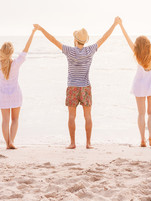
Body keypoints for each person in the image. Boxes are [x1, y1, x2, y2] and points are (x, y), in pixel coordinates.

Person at [34, 18, 120, 149]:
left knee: (72, 116)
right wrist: (115, 24)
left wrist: (41, 29)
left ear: (75, 39)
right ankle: (88, 143)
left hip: (72, 87)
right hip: (85, 87)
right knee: (88, 116)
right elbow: (104, 37)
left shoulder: (70, 51)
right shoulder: (90, 50)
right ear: (85, 41)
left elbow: (53, 40)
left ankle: (73, 143)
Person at [119, 3, 151, 147]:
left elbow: (128, 40)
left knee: (141, 113)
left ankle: (142, 139)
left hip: (139, 86)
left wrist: (120, 25)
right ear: (148, 45)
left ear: (138, 48)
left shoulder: (138, 56)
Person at [0, 25, 37, 149]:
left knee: (5, 120)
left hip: (3, 95)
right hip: (15, 94)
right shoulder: (16, 63)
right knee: (15, 119)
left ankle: (7, 143)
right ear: (11, 52)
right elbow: (26, 49)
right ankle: (12, 142)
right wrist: (33, 33)